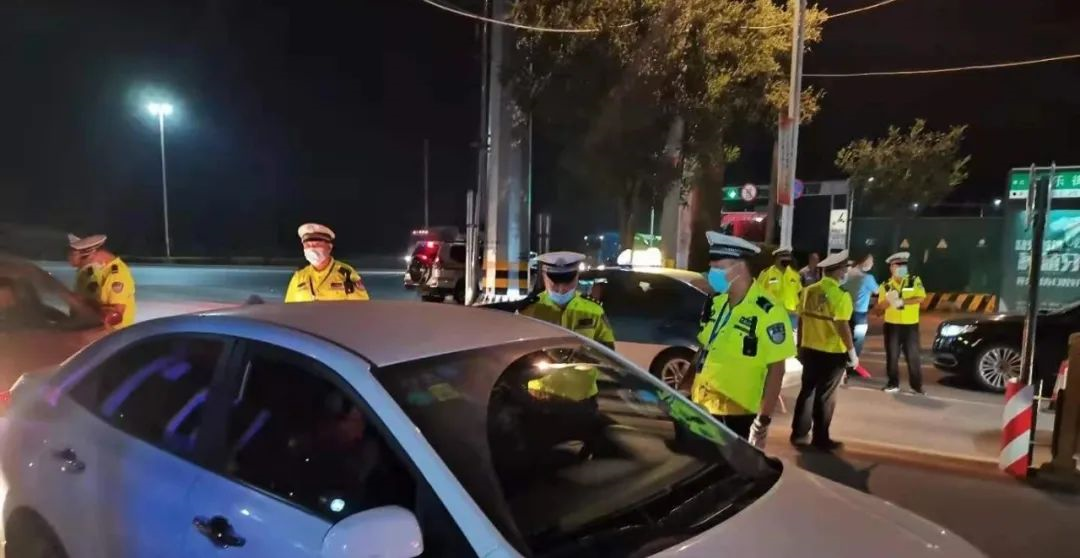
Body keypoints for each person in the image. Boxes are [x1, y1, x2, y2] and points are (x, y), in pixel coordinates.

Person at [679, 232, 795, 448]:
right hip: (701, 407)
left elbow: (777, 369)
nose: (712, 274)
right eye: (711, 267)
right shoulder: (717, 304)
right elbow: (704, 349)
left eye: (719, 267)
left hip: (737, 415)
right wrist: (684, 388)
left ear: (740, 268)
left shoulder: (769, 311)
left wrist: (763, 420)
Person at [791, 250, 856, 451]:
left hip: (809, 349)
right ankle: (820, 438)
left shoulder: (808, 291)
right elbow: (843, 326)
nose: (846, 273)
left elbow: (801, 319)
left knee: (807, 391)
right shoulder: (841, 296)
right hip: (832, 353)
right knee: (826, 396)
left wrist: (800, 345)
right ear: (837, 272)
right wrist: (852, 353)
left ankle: (798, 433)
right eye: (844, 269)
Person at [877, 251, 926, 394]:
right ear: (892, 268)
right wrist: (888, 301)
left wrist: (903, 301)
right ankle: (893, 383)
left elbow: (921, 298)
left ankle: (916, 386)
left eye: (904, 265)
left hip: (910, 325)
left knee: (913, 356)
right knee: (892, 356)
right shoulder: (886, 285)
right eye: (898, 265)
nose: (902, 268)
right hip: (892, 325)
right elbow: (880, 307)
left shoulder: (914, 281)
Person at [285, 223, 369, 303]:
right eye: (307, 245)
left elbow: (361, 306)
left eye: (317, 244)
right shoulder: (299, 276)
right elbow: (289, 308)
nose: (312, 249)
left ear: (329, 247)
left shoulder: (346, 273)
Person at [68, 233, 136, 328]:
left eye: (80, 260)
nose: (79, 266)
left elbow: (114, 316)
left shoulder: (117, 275)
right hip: (87, 329)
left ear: (91, 254)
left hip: (113, 333)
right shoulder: (87, 271)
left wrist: (83, 303)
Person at [842, 253, 879, 359]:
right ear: (864, 261)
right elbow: (877, 290)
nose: (872, 264)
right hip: (860, 313)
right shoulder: (867, 278)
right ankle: (853, 361)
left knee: (845, 338)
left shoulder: (847, 273)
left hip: (845, 311)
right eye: (871, 261)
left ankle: (843, 361)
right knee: (858, 340)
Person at [757, 247, 802, 329]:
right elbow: (757, 295)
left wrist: (797, 312)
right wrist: (769, 310)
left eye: (788, 256)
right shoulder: (766, 274)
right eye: (783, 256)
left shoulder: (795, 275)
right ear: (776, 258)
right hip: (771, 316)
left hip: (791, 317)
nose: (787, 259)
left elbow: (799, 295)